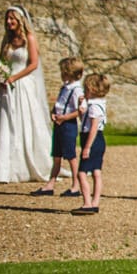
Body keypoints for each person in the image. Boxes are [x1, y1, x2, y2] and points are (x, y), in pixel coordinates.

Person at [0, 5, 51, 183]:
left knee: (22, 123)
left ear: (20, 20)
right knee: (1, 122)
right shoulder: (7, 40)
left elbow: (33, 64)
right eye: (7, 19)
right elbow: (2, 61)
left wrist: (14, 78)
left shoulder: (29, 39)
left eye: (12, 19)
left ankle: (22, 165)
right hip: (4, 87)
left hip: (22, 86)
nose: (9, 22)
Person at [39, 57, 86, 195]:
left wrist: (65, 117)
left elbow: (80, 110)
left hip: (68, 125)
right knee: (57, 156)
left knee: (71, 157)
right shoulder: (64, 88)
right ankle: (50, 184)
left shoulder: (77, 90)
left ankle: (76, 185)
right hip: (59, 125)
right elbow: (59, 104)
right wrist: (54, 113)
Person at [72, 73, 111, 216]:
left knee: (82, 173)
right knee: (96, 172)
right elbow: (85, 122)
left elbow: (93, 127)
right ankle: (95, 202)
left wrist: (87, 147)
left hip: (92, 139)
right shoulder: (99, 104)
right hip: (99, 140)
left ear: (93, 90)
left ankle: (87, 203)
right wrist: (81, 109)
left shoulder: (94, 106)